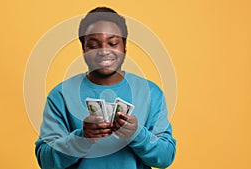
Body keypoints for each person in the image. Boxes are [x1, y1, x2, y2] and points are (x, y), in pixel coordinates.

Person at [35, 7, 176, 169]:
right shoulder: (60, 95)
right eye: (93, 45)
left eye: (113, 43)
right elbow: (46, 162)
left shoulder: (151, 93)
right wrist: (82, 138)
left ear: (124, 47)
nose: (103, 51)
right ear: (83, 51)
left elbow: (165, 157)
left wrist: (136, 134)